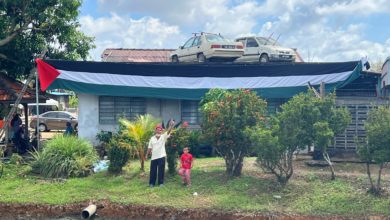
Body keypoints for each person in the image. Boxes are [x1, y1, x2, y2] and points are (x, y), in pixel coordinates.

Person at [145, 120, 174, 187]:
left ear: (161, 131)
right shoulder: (152, 138)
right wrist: (147, 155)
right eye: (157, 130)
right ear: (155, 130)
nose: (159, 131)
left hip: (161, 156)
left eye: (160, 130)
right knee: (153, 171)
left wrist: (171, 125)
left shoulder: (163, 137)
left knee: (161, 170)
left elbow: (168, 131)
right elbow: (149, 148)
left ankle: (161, 183)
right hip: (154, 157)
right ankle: (152, 183)